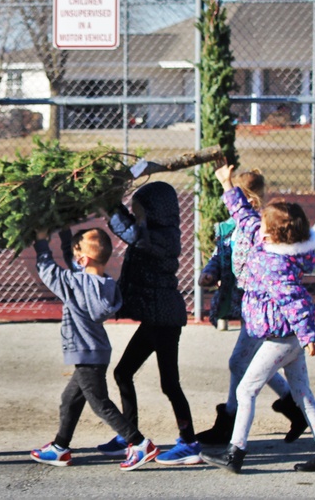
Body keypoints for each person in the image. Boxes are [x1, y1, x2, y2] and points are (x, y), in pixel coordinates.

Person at [201, 165, 315, 474]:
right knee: (302, 393)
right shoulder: (267, 242)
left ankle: (235, 454)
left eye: (263, 220)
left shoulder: (276, 264)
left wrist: (309, 337)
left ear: (272, 232)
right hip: (284, 336)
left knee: (245, 390)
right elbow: (244, 216)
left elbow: (296, 302)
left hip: (282, 338)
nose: (257, 220)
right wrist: (227, 184)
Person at [30, 227, 159, 471]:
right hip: (96, 351)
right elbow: (75, 264)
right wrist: (68, 237)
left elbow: (48, 271)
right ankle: (60, 447)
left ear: (82, 260)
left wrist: (41, 242)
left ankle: (140, 443)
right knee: (69, 399)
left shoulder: (74, 283)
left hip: (86, 352)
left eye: (76, 251)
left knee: (100, 403)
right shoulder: (105, 284)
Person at [196, 169, 308, 446]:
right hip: (245, 304)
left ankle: (230, 423)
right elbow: (220, 254)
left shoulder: (262, 231)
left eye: (252, 200)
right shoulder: (228, 229)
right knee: (251, 364)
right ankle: (293, 405)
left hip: (263, 308)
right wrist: (210, 272)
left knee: (239, 363)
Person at [94, 181, 200, 466]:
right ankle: (129, 435)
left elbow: (133, 234)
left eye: (139, 209)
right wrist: (112, 203)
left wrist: (107, 207)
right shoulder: (150, 231)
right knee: (123, 372)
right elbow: (132, 229)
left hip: (164, 320)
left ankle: (189, 442)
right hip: (155, 319)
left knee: (169, 384)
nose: (135, 213)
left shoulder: (164, 237)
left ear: (155, 211)